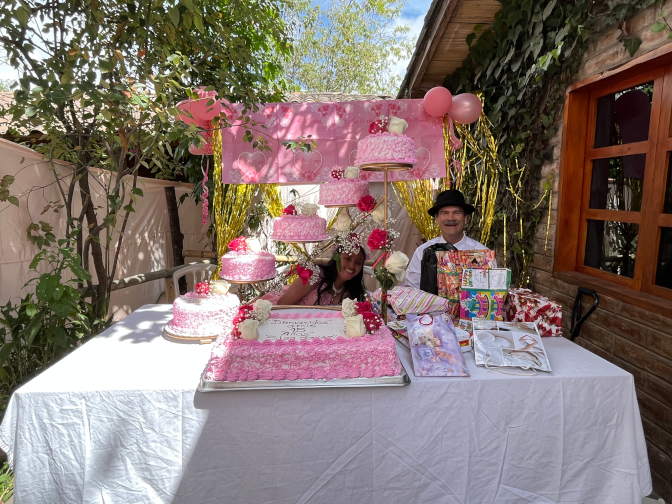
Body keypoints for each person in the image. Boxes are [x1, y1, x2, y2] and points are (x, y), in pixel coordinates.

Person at [402, 189, 490, 290]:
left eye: (456, 213)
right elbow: (411, 290)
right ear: (437, 219)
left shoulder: (483, 253)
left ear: (465, 218)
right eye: (445, 213)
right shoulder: (422, 252)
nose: (451, 218)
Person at [275, 246, 366, 306]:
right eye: (347, 258)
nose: (352, 265)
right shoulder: (314, 275)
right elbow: (282, 304)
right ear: (336, 257)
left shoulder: (353, 291)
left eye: (358, 263)